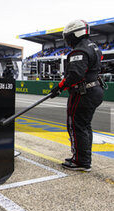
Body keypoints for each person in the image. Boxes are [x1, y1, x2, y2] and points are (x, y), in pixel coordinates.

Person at [50, 19, 104, 172]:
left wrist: (59, 88)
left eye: (68, 36)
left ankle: (80, 161)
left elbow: (75, 74)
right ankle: (84, 158)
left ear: (74, 34)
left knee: (76, 126)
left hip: (83, 93)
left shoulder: (79, 50)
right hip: (94, 90)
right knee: (84, 126)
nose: (67, 40)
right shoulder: (93, 47)